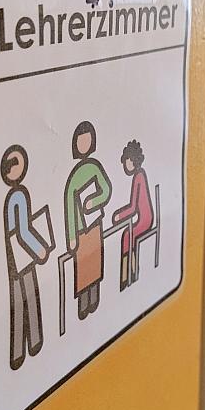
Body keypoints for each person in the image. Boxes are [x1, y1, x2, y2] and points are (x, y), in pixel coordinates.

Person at [1, 144, 50, 370]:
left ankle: (19, 352)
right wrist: (41, 250)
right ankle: (35, 342)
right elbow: (23, 232)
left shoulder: (11, 197)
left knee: (18, 303)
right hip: (24, 257)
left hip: (14, 259)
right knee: (29, 297)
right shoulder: (18, 195)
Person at [64, 121, 112, 320]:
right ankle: (84, 304)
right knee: (83, 268)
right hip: (81, 230)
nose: (84, 144)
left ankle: (95, 298)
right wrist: (71, 236)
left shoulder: (94, 167)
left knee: (95, 263)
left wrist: (94, 201)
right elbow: (69, 207)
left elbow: (106, 189)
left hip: (94, 225)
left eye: (87, 140)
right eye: (80, 141)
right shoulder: (74, 176)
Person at [112, 140, 154, 290]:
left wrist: (118, 216)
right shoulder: (139, 175)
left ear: (133, 160)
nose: (126, 165)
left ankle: (128, 274)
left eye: (127, 161)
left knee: (127, 236)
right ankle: (129, 273)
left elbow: (133, 208)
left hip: (145, 219)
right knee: (127, 236)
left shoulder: (139, 176)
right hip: (143, 217)